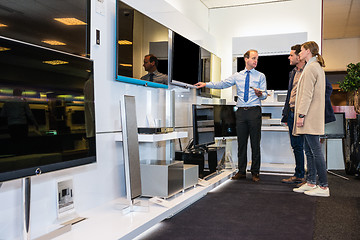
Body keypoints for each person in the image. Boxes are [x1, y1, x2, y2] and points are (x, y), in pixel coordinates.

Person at [195, 49, 268, 182]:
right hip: (240, 112)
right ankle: (241, 171)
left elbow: (264, 94)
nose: (255, 61)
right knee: (241, 143)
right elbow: (223, 84)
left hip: (254, 111)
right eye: (253, 58)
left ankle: (255, 172)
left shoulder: (261, 76)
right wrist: (206, 84)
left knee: (255, 143)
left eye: (257, 58)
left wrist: (260, 94)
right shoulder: (237, 76)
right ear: (246, 59)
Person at [292, 41, 330, 197]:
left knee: (315, 151)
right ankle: (311, 182)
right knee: (309, 150)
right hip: (311, 115)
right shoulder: (314, 67)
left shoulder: (311, 68)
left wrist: (301, 115)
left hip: (309, 116)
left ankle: (323, 186)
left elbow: (307, 95)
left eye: (301, 50)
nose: (299, 53)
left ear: (308, 51)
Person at [281, 45, 306, 184]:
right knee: (296, 146)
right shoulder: (293, 72)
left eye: (291, 55)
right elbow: (290, 94)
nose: (289, 57)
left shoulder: (308, 71)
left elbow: (326, 89)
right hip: (291, 113)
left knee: (306, 147)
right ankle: (299, 175)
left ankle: (309, 177)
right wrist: (286, 114)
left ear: (299, 56)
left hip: (301, 114)